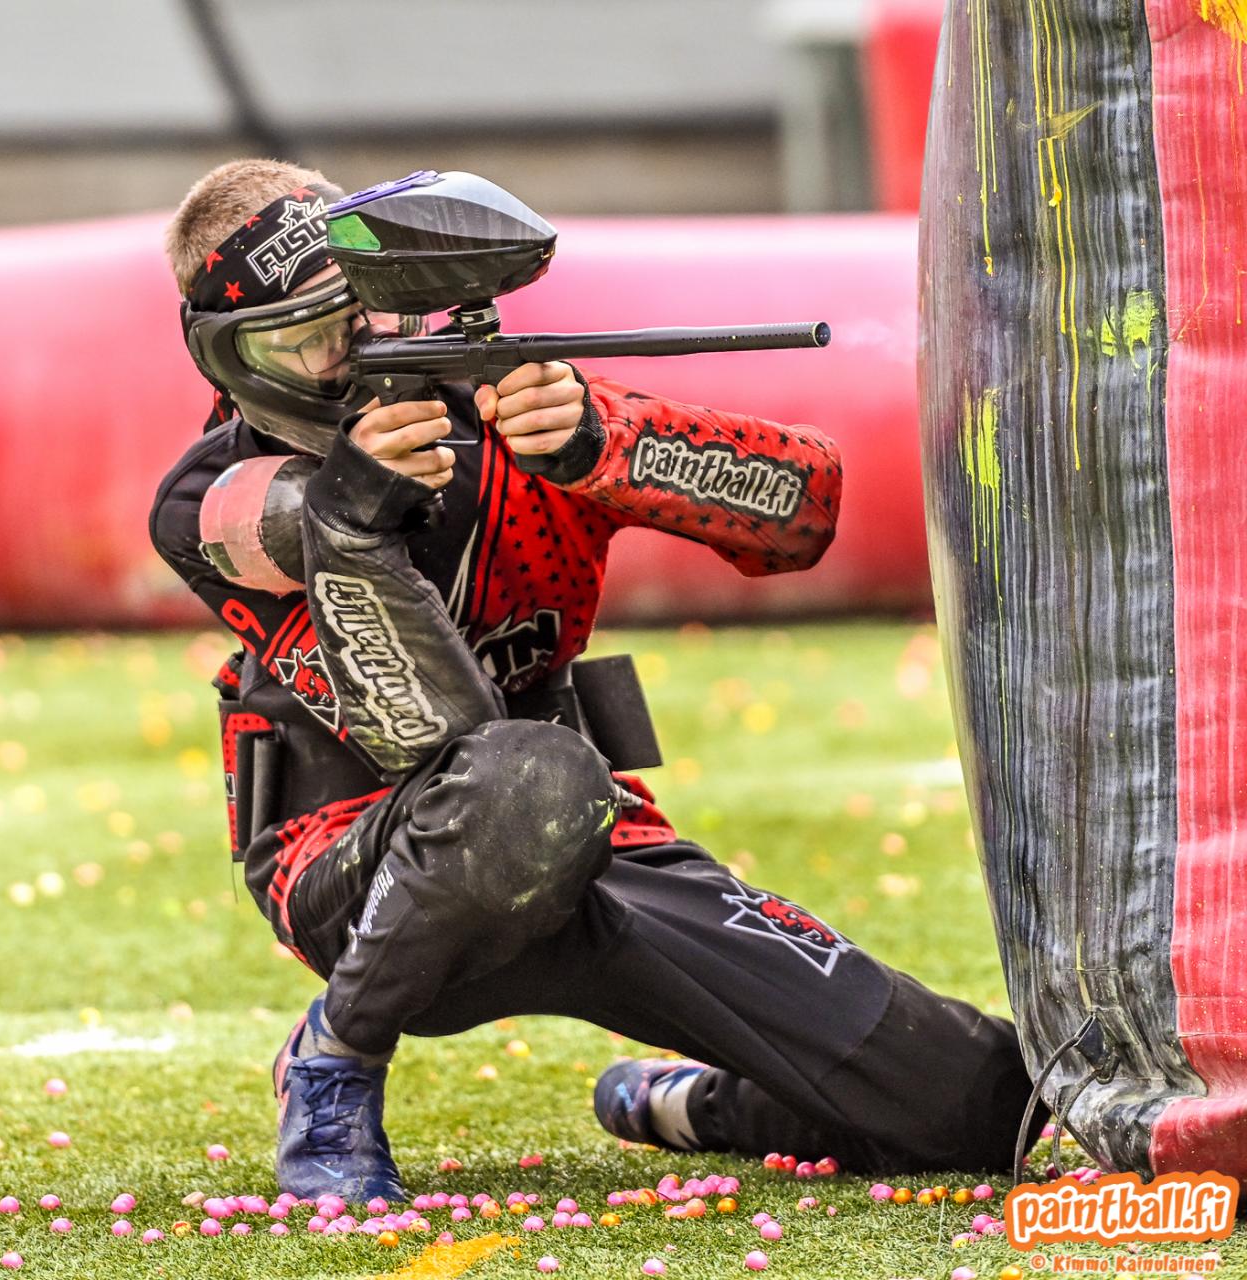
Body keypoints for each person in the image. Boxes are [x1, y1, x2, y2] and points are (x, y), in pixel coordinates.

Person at [151, 158, 1040, 1205]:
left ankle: (698, 1106)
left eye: (351, 319)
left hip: (595, 840)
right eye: (295, 341)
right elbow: (433, 733)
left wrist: (603, 444)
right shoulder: (208, 499)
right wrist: (354, 510)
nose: (338, 358)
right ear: (225, 357)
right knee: (521, 776)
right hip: (354, 867)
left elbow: (804, 509)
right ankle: (332, 1056)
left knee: (980, 1098)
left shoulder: (507, 415)